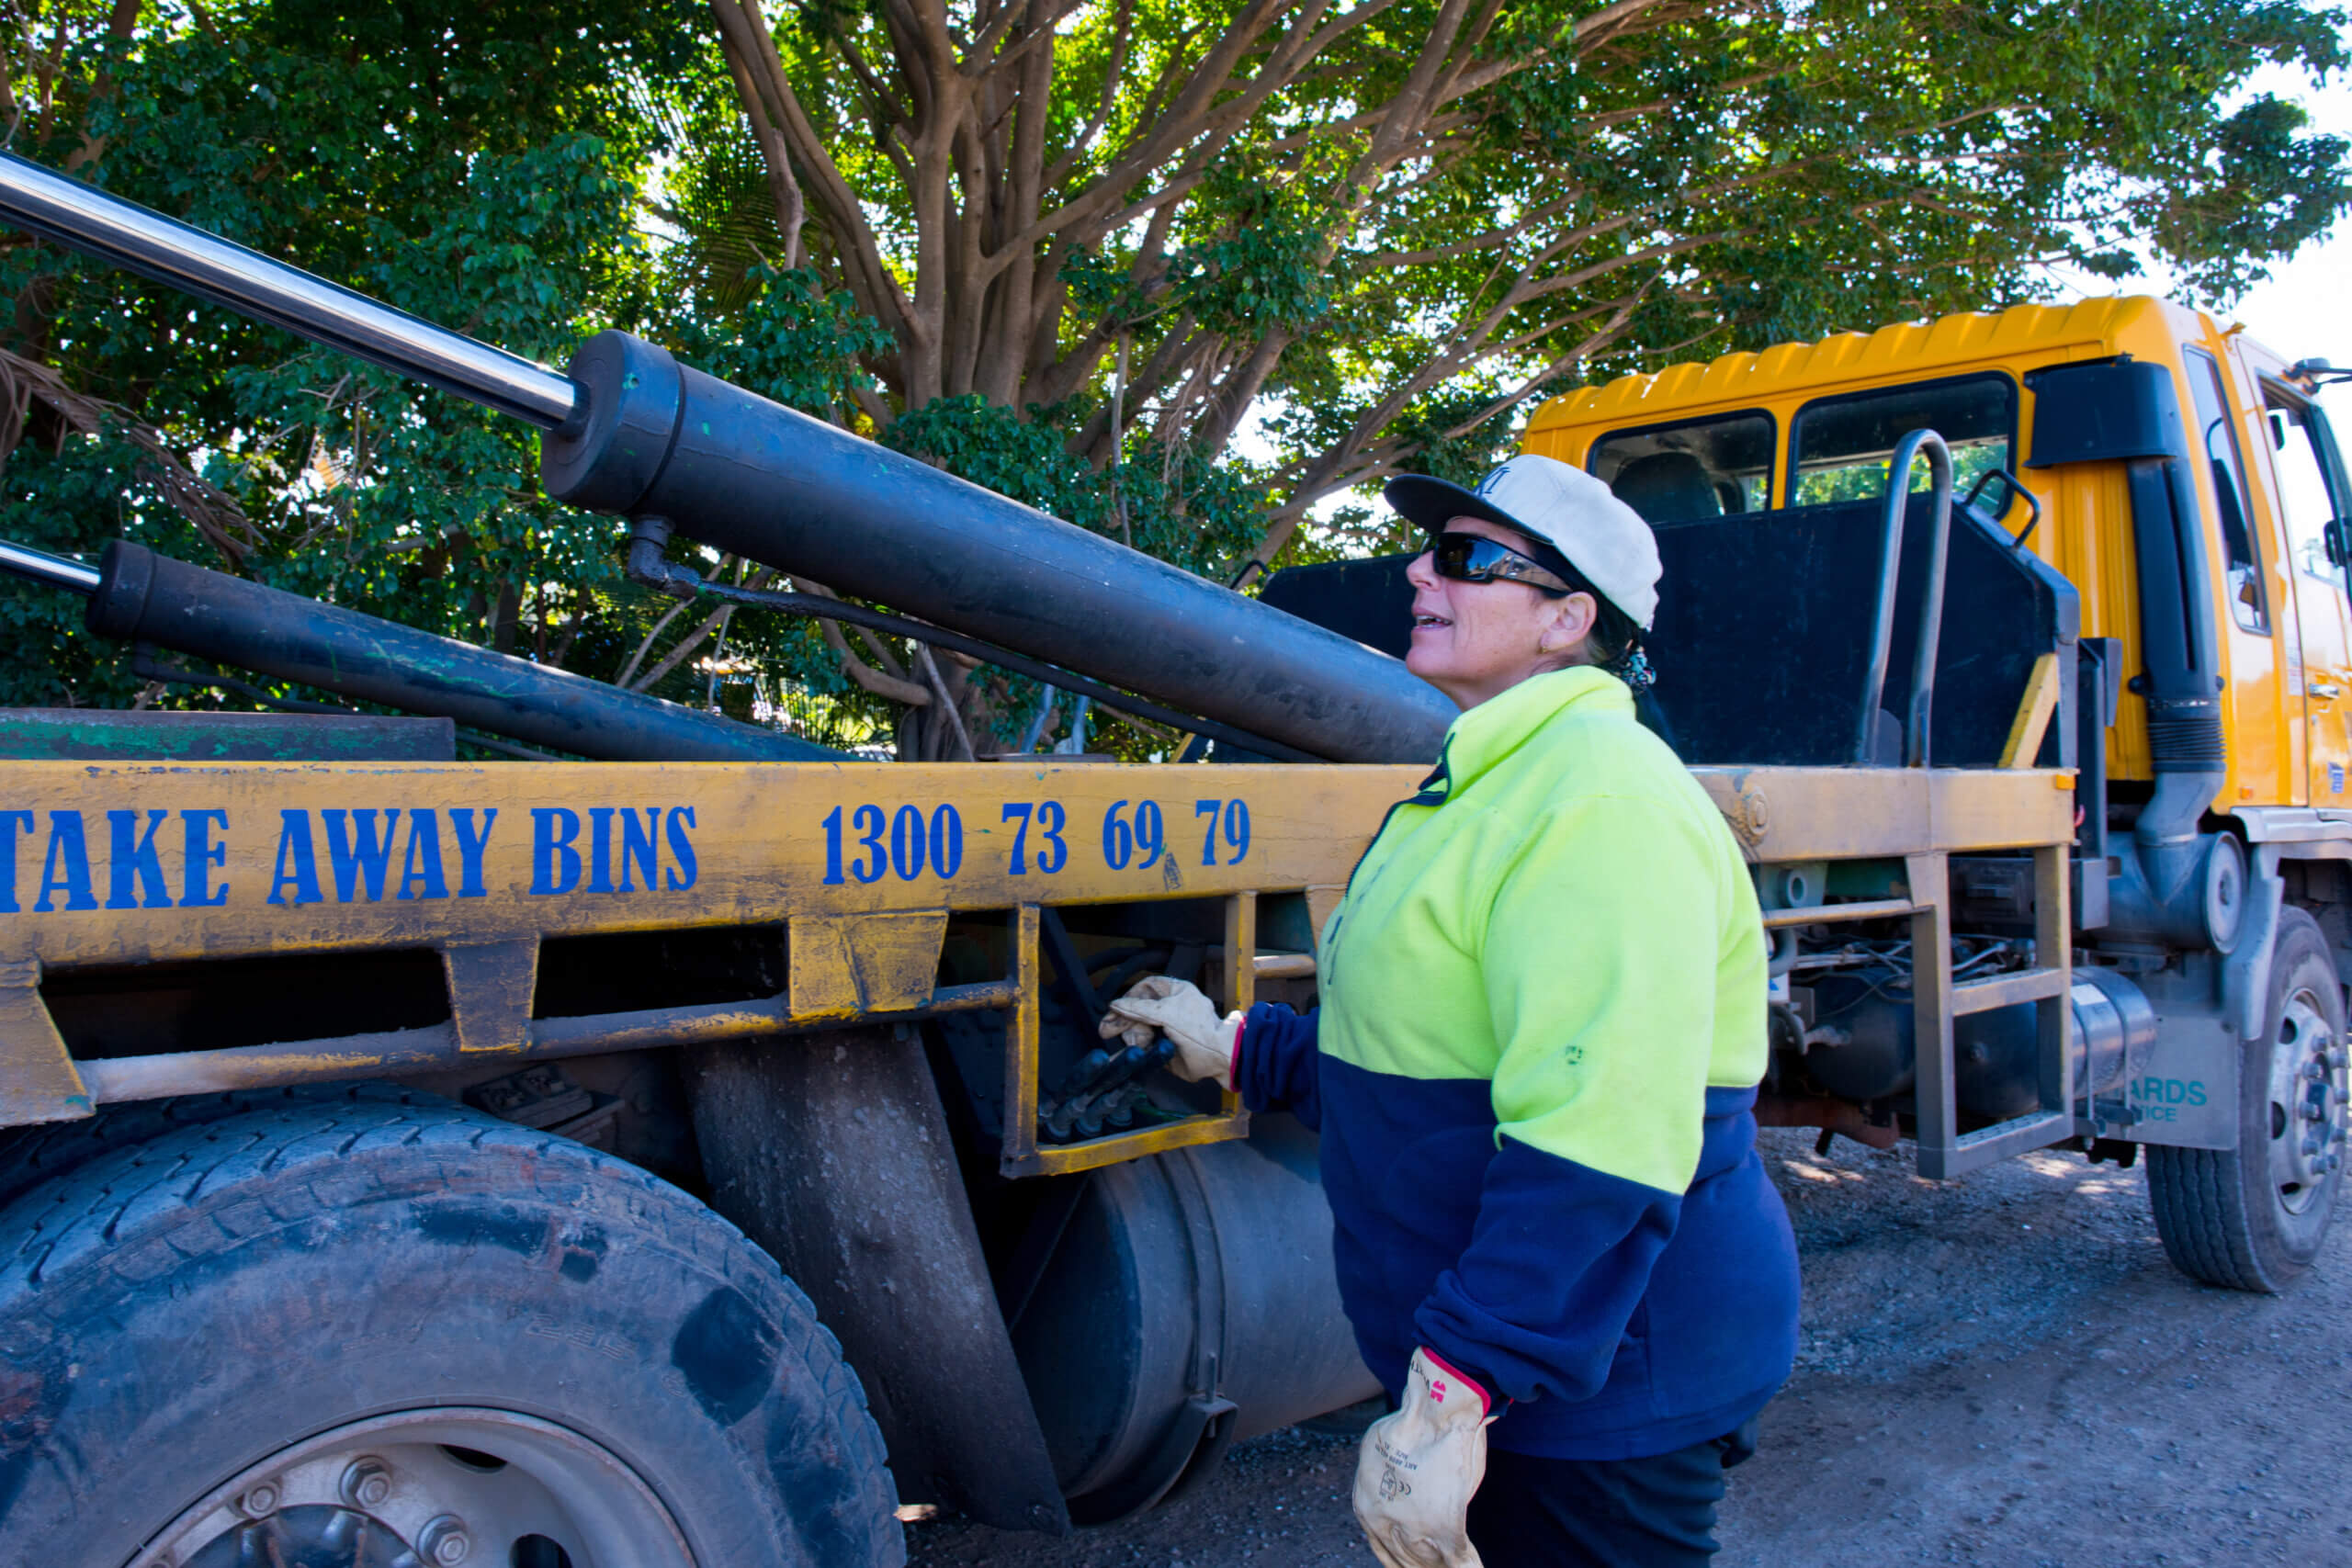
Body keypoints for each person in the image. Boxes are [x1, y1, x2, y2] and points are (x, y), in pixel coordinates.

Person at [1103, 454, 1801, 1568]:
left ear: (1567, 619)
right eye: (1433, 549)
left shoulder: (1598, 799)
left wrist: (1458, 1387)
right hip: (1537, 1374)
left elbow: (1598, 1138)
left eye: (1469, 559)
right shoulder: (1482, 780)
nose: (1421, 572)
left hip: (1602, 1384)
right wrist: (1240, 1044)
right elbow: (1430, 1066)